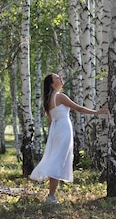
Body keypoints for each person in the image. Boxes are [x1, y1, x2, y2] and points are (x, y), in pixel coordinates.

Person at [30, 73, 109, 204]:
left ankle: (51, 194)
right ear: (51, 83)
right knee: (57, 160)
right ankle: (51, 196)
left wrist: (52, 136)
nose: (60, 78)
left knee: (56, 159)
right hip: (63, 129)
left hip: (57, 130)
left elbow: (50, 121)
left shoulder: (49, 99)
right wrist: (96, 112)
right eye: (57, 78)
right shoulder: (59, 96)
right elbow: (78, 108)